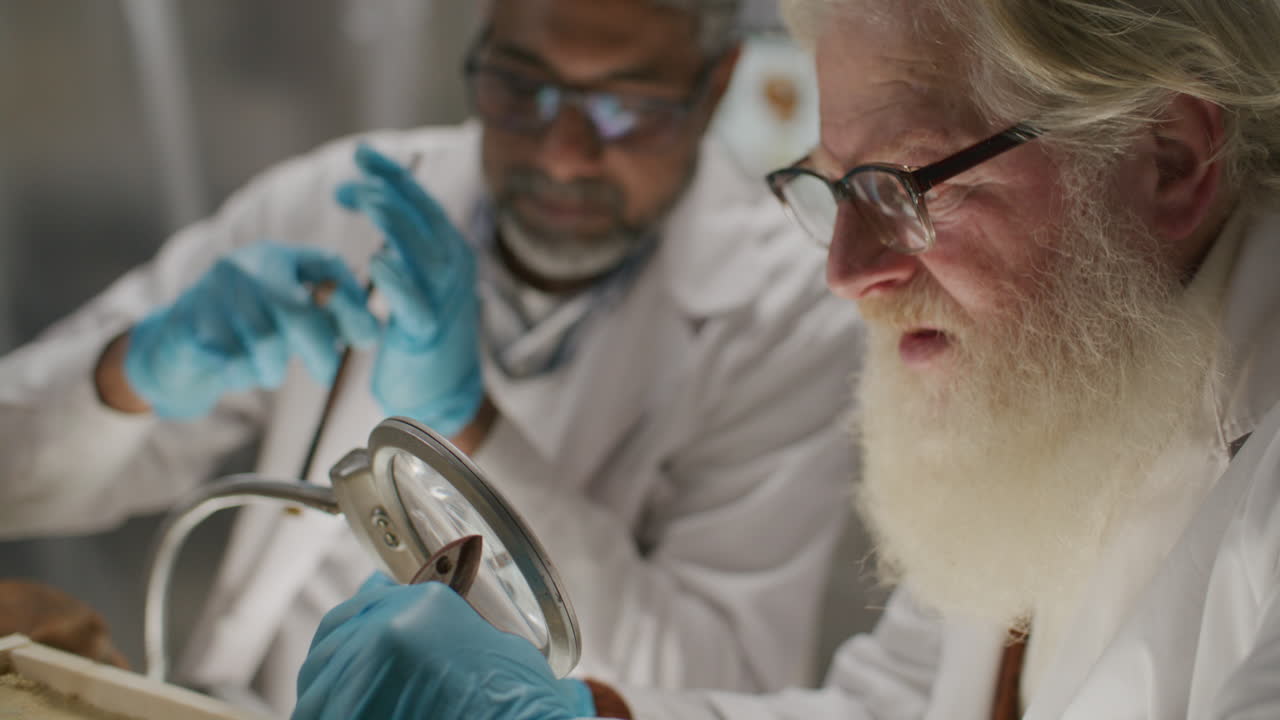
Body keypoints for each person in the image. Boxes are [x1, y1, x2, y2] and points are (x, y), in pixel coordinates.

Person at [283, 0, 1280, 717]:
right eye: (836, 190)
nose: (844, 272)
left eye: (901, 185)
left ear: (1167, 158)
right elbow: (891, 709)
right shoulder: (1062, 391)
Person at [0, 0, 865, 713]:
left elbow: (725, 677)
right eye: (523, 89)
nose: (562, 154)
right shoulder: (340, 202)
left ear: (713, 89)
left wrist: (469, 427)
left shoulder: (791, 315)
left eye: (624, 108)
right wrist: (127, 375)